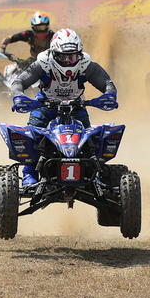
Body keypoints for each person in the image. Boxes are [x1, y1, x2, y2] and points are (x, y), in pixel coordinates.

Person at [8, 28, 117, 185]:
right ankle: (29, 173)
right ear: (54, 53)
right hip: (45, 105)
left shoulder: (86, 64)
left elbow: (107, 83)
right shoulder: (43, 63)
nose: (68, 61)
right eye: (63, 57)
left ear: (80, 53)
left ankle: (95, 174)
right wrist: (18, 96)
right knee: (32, 135)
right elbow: (19, 82)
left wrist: (110, 95)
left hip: (76, 106)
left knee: (90, 140)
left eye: (73, 56)